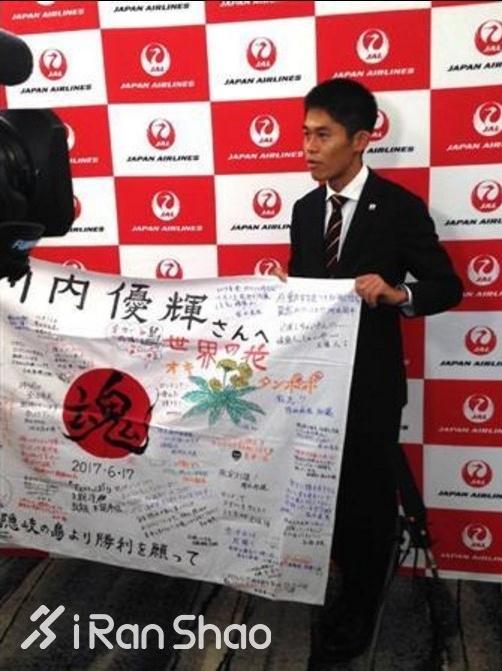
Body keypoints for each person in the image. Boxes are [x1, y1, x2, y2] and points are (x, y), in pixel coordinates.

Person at [275, 78, 463, 667]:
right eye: (305, 134)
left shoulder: (400, 208)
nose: (308, 147)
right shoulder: (305, 211)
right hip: (312, 386)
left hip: (371, 386)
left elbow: (447, 286)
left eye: (322, 135)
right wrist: (285, 293)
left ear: (360, 140)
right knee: (326, 498)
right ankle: (341, 588)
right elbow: (308, 289)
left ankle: (361, 605)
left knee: (368, 500)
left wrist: (397, 292)